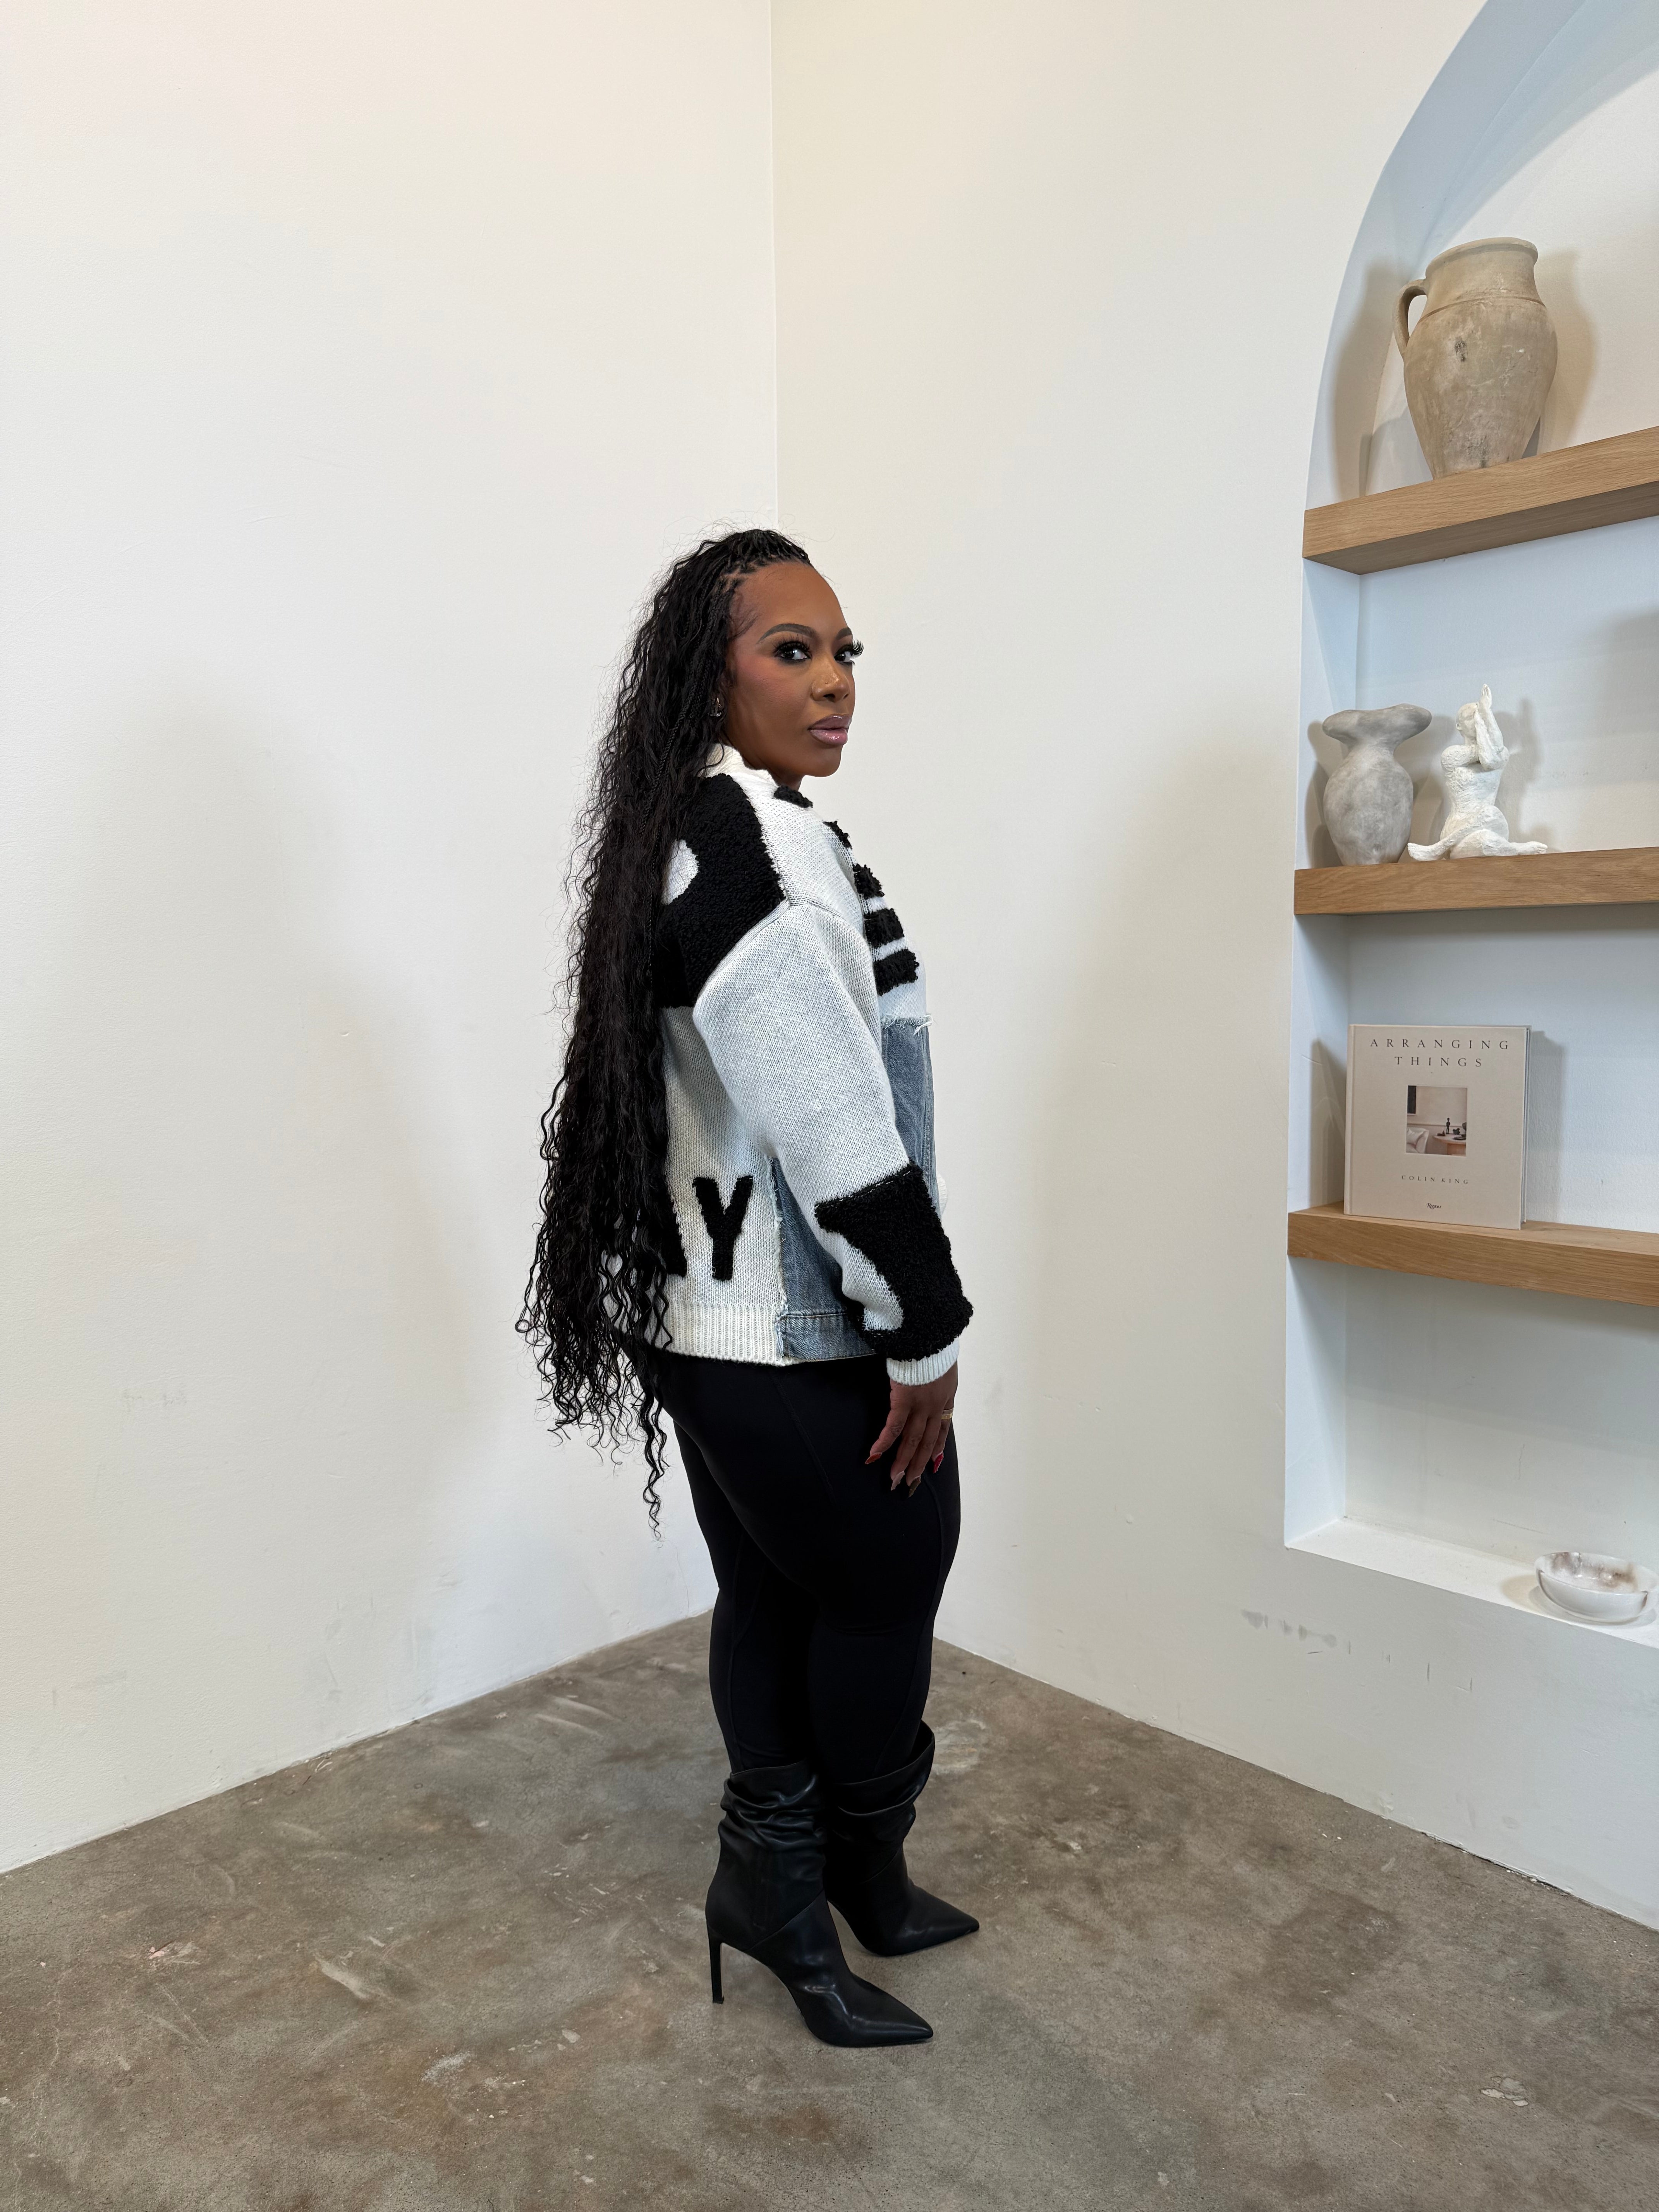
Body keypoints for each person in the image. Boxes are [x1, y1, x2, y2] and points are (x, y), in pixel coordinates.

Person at [521, 529, 975, 2048]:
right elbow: (831, 1117)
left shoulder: (714, 831)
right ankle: (818, 1874)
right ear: (705, 678)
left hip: (700, 1318)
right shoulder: (755, 854)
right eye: (793, 651)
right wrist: (922, 1328)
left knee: (777, 1590)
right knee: (890, 1580)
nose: (834, 682)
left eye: (845, 653)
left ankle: (807, 1890)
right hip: (783, 1323)